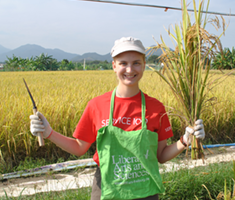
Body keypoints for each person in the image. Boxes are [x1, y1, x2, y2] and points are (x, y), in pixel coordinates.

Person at [29, 37, 205, 200]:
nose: (129, 69)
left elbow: (161, 155)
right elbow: (79, 148)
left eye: (136, 63)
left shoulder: (156, 108)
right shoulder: (96, 105)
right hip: (106, 189)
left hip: (145, 191)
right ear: (114, 66)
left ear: (144, 65)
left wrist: (185, 140)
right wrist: (49, 133)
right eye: (123, 63)